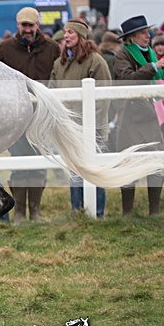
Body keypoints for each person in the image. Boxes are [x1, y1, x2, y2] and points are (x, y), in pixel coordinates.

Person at [0, 7, 61, 222]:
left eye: (31, 26)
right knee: (19, 164)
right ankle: (20, 212)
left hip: (41, 117)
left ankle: (35, 211)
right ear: (18, 25)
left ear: (37, 25)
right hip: (16, 118)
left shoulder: (52, 48)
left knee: (39, 165)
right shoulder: (5, 49)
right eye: (24, 26)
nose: (27, 30)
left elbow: (58, 77)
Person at [49, 19, 111, 217]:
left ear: (81, 36)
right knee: (74, 170)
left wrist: (90, 125)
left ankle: (97, 213)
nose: (66, 35)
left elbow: (103, 97)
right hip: (69, 128)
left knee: (93, 171)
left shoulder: (95, 61)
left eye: (70, 32)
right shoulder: (59, 64)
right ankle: (77, 212)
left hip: (92, 129)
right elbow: (52, 93)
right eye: (65, 32)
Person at [113, 15, 164, 215]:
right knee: (130, 164)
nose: (148, 36)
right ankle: (127, 212)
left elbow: (159, 79)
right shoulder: (122, 55)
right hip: (132, 117)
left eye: (148, 32)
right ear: (132, 37)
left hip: (153, 115)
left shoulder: (151, 53)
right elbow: (128, 78)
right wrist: (154, 67)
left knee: (155, 163)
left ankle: (154, 211)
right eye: (143, 33)